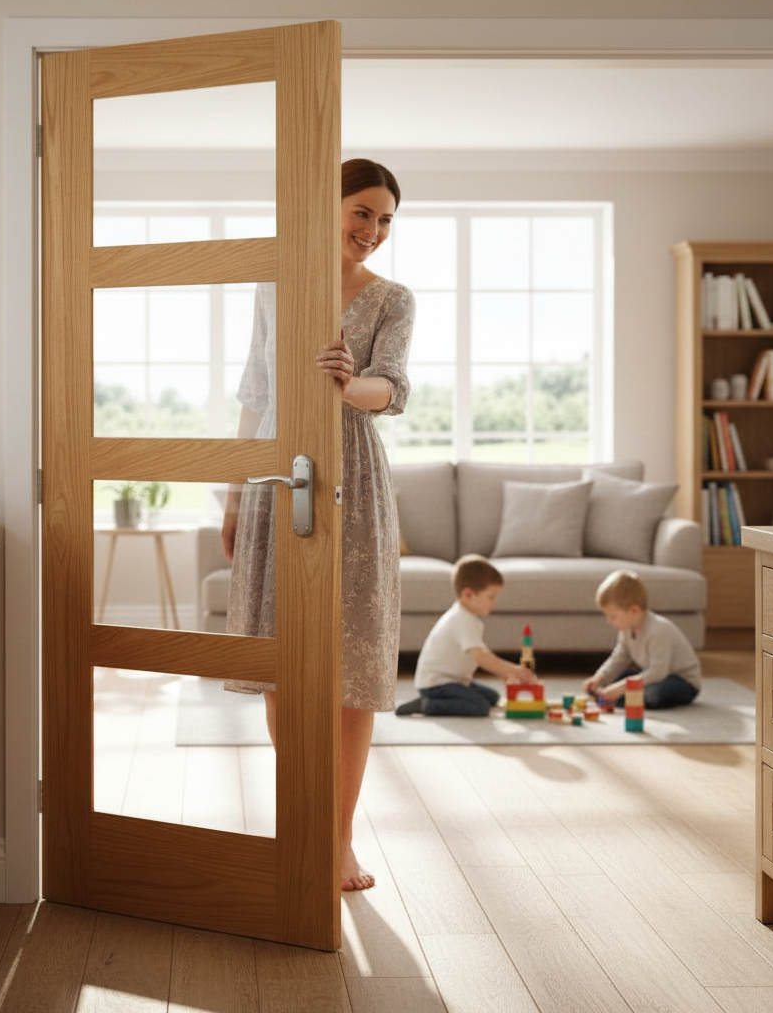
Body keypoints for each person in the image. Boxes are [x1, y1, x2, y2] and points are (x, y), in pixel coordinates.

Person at [221, 158, 415, 892]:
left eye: (386, 219)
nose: (373, 231)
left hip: (352, 481)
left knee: (353, 669)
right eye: (363, 212)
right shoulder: (274, 286)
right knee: (283, 656)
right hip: (277, 477)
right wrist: (236, 497)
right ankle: (301, 825)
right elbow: (254, 389)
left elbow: (390, 391)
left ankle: (336, 843)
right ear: (328, 205)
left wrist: (347, 380)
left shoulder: (392, 299)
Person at [395, 555, 538, 717]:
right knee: (479, 706)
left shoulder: (469, 619)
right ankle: (426, 704)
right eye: (490, 597)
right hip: (436, 684)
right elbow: (481, 657)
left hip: (455, 681)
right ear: (468, 594)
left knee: (493, 697)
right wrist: (514, 670)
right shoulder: (462, 620)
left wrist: (505, 673)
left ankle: (442, 699)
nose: (495, 602)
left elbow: (483, 655)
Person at [582, 570, 701, 708]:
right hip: (656, 676)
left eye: (613, 616)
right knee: (620, 677)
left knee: (653, 693)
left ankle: (622, 698)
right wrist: (599, 677)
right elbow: (618, 659)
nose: (609, 621)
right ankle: (621, 697)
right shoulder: (626, 629)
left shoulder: (659, 630)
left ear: (634, 611)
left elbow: (658, 672)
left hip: (681, 681)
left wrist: (620, 688)